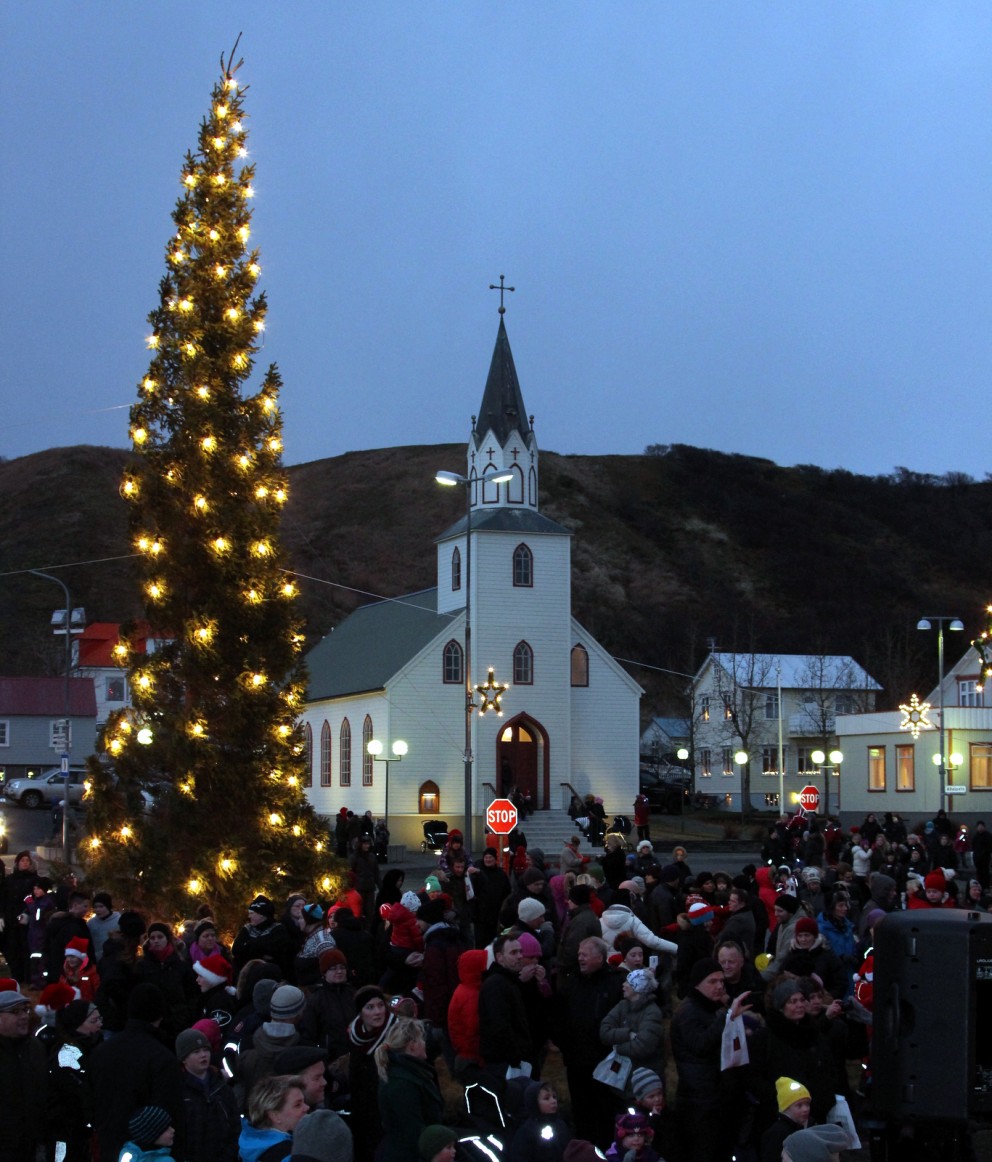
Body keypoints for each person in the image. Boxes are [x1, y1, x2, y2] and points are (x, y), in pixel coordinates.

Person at [89, 982, 185, 1162]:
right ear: (160, 1014)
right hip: (149, 1153)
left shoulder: (101, 1052)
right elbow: (171, 1110)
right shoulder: (162, 1057)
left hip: (108, 1144)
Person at [670, 957, 752, 1162]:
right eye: (712, 981)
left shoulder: (710, 1007)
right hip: (698, 1101)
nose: (719, 986)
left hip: (716, 1096)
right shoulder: (689, 1012)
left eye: (721, 981)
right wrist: (726, 1016)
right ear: (698, 984)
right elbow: (700, 1045)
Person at [554, 936, 625, 1145]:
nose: (580, 959)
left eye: (584, 955)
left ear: (600, 957)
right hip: (576, 1060)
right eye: (579, 955)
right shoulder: (571, 981)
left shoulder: (615, 981)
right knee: (581, 1109)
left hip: (605, 1060)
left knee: (605, 1109)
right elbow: (559, 1015)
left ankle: (606, 1148)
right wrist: (563, 1044)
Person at [375, 1017, 444, 1162]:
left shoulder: (409, 1074)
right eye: (421, 1039)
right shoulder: (402, 1083)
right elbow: (414, 1132)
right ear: (412, 1045)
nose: (425, 1043)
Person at [0, 983, 50, 1162]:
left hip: (31, 1143)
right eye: (16, 1012)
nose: (24, 1017)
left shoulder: (35, 1048)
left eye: (25, 1011)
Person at [49, 999, 104, 1162]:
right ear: (77, 1025)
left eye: (100, 1019)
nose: (100, 1024)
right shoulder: (68, 1053)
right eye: (93, 1020)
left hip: (82, 1131)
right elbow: (75, 1094)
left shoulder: (93, 1047)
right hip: (66, 1131)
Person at [175, 1027, 240, 1162]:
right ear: (184, 1059)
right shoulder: (177, 1091)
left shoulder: (222, 1087)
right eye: (196, 1052)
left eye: (205, 1050)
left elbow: (235, 1125)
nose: (203, 1055)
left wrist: (230, 1154)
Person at [348, 985, 396, 1162]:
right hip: (363, 1111)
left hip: (389, 1111)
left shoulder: (397, 1034)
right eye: (370, 1007)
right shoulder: (355, 1036)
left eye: (380, 1005)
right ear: (360, 1012)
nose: (377, 1012)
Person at [599, 967, 666, 1085]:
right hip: (622, 1078)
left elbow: (642, 1047)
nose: (623, 985)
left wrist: (617, 1047)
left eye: (628, 982)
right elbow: (604, 1031)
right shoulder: (622, 1005)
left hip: (646, 1081)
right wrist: (628, 1034)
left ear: (638, 987)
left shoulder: (652, 1012)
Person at [478, 934, 532, 1078]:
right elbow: (500, 1026)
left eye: (520, 951)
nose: (520, 956)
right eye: (513, 953)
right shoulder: (496, 985)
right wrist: (515, 1057)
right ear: (500, 957)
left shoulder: (510, 981)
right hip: (503, 1063)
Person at [239, 1075, 309, 1162]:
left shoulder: (249, 1146)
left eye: (304, 1102)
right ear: (275, 1116)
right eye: (298, 1105)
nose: (307, 1107)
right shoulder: (287, 1156)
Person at [507, 1080, 573, 1162]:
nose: (553, 1101)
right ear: (534, 1102)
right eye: (546, 1098)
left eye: (554, 1097)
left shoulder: (561, 1124)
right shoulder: (527, 1131)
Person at [231, 895, 292, 983]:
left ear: (262, 914)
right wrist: (262, 952)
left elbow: (278, 952)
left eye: (252, 913)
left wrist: (249, 945)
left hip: (271, 978)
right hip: (247, 977)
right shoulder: (247, 928)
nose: (249, 916)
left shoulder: (278, 929)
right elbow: (236, 950)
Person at [760, 1077, 812, 1162]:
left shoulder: (811, 1125)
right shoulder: (776, 1134)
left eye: (807, 1104)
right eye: (799, 1105)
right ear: (786, 1108)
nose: (805, 1109)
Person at [89, 892, 121, 961]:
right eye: (95, 907)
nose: (98, 910)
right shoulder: (91, 923)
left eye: (101, 906)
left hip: (116, 960)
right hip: (96, 960)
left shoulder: (119, 920)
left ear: (108, 906)